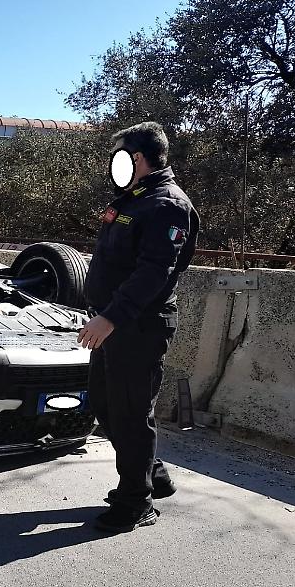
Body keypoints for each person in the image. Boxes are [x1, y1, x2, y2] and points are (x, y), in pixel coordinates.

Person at [79, 121, 200, 533]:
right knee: (105, 406)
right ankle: (153, 474)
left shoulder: (167, 204)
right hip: (113, 323)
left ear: (137, 159)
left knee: (131, 414)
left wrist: (110, 317)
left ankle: (135, 503)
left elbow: (155, 272)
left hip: (138, 326)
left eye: (118, 155)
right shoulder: (133, 199)